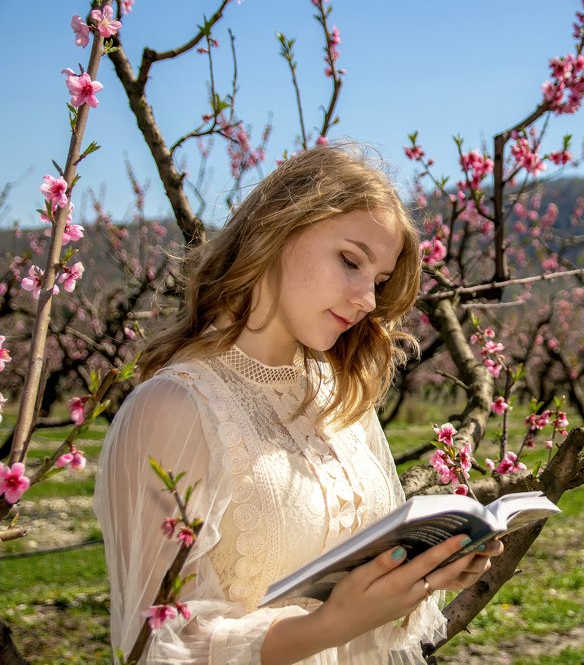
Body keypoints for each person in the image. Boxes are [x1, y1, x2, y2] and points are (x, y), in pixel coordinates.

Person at [93, 144, 503, 664]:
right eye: (350, 260)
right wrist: (326, 627)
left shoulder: (338, 394)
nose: (368, 300)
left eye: (378, 281)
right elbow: (155, 646)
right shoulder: (175, 408)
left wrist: (427, 573)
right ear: (276, 229)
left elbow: (373, 620)